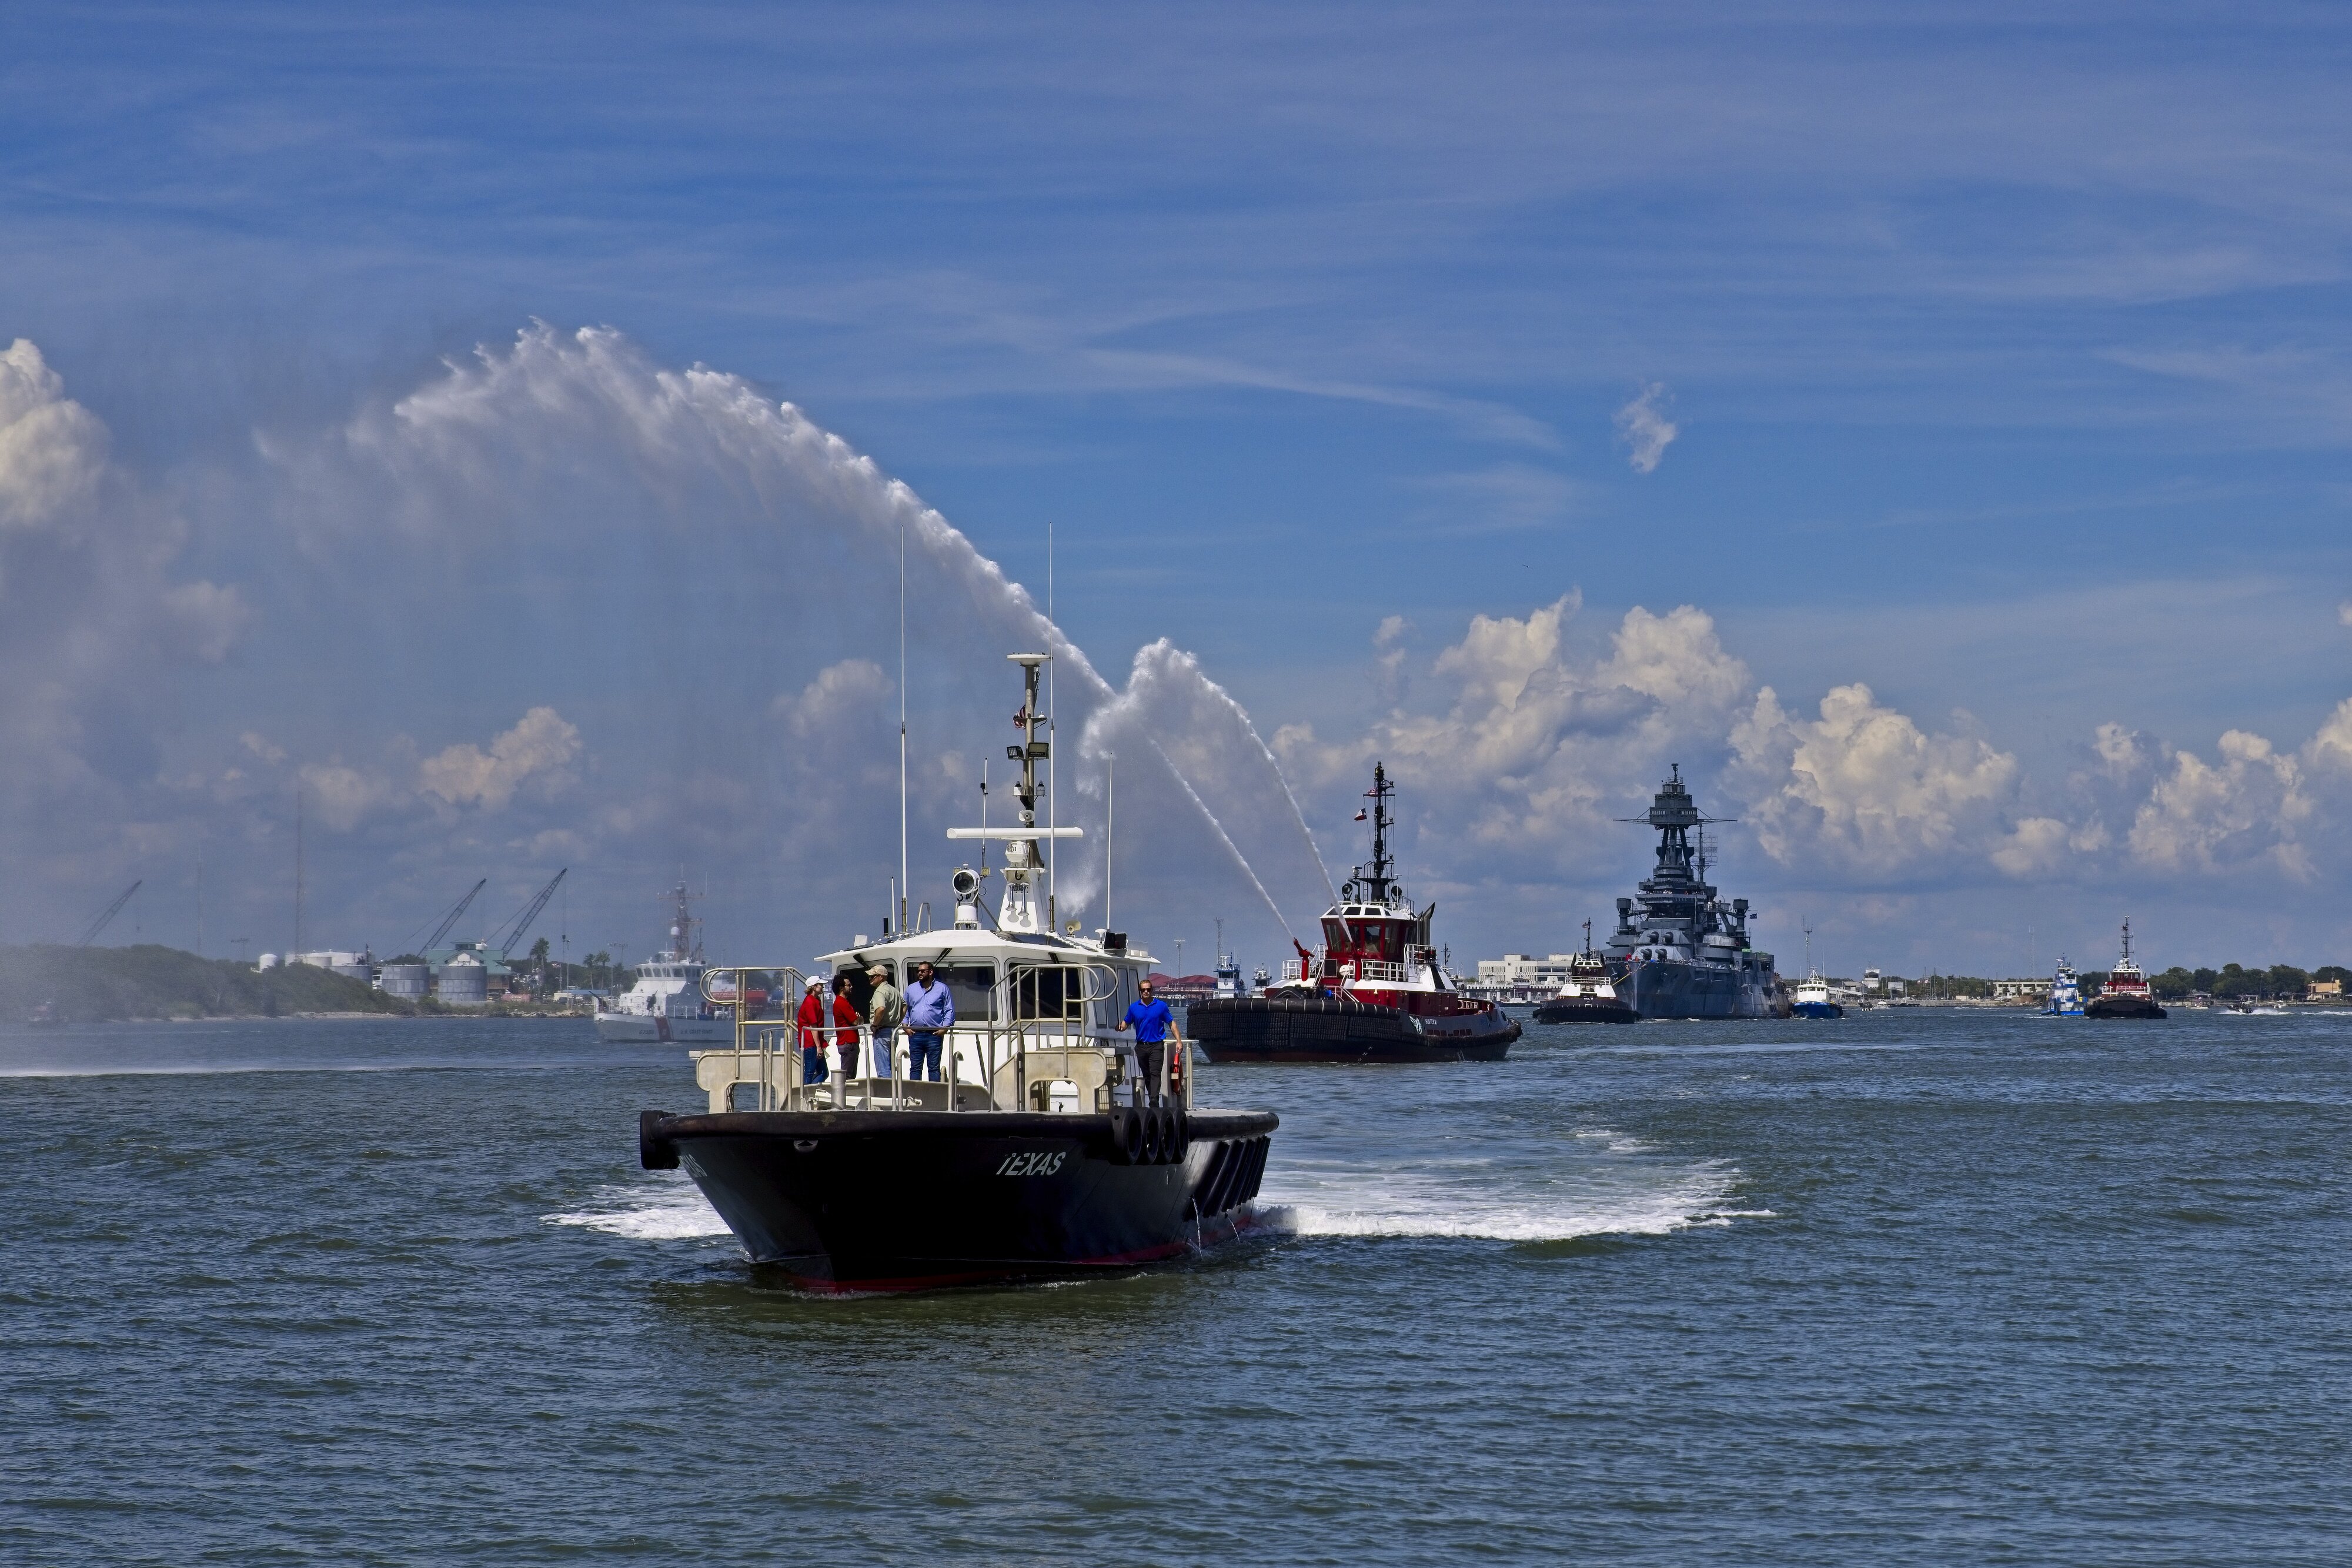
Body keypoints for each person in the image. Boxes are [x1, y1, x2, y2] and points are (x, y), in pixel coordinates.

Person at [1115, 978, 1182, 1104]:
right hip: (1141, 1047)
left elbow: (1171, 1023)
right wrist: (1120, 1028)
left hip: (1156, 1045)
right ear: (1140, 991)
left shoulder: (1161, 1006)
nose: (1146, 992)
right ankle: (1153, 1098)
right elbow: (1126, 1023)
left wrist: (1179, 1041)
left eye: (1148, 989)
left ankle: (1153, 1100)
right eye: (1143, 990)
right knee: (1147, 1075)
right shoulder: (1134, 1007)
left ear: (1152, 990)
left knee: (1155, 1073)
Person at [903, 960, 953, 1082]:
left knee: (934, 1069)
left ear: (930, 972)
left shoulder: (942, 989)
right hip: (915, 1034)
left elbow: (949, 1010)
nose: (919, 973)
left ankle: (933, 1098)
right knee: (915, 1069)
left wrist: (944, 1029)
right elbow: (906, 1009)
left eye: (922, 971)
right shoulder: (911, 989)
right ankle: (914, 1097)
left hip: (934, 1035)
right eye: (918, 971)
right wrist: (905, 1026)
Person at [866, 964, 904, 1079]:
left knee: (883, 1069)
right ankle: (893, 1093)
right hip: (893, 1031)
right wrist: (898, 1022)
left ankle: (887, 1095)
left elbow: (881, 1009)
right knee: (891, 1066)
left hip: (882, 1032)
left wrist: (875, 1025)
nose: (870, 979)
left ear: (881, 977)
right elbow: (905, 1006)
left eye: (873, 976)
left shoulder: (879, 992)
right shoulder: (894, 991)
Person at [796, 976, 830, 1085]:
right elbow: (813, 1026)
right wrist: (819, 1047)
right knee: (810, 1072)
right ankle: (806, 1094)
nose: (823, 986)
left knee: (823, 1072)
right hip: (811, 1043)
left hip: (814, 1042)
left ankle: (810, 1091)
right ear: (814, 987)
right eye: (820, 985)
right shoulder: (810, 1002)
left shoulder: (815, 1001)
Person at [829, 974, 864, 1077]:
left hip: (849, 1042)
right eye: (849, 985)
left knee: (850, 1075)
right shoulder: (842, 1003)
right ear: (841, 988)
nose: (851, 987)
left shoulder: (842, 1003)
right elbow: (856, 1022)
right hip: (848, 1042)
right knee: (848, 1076)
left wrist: (857, 1018)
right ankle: (844, 1093)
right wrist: (860, 1018)